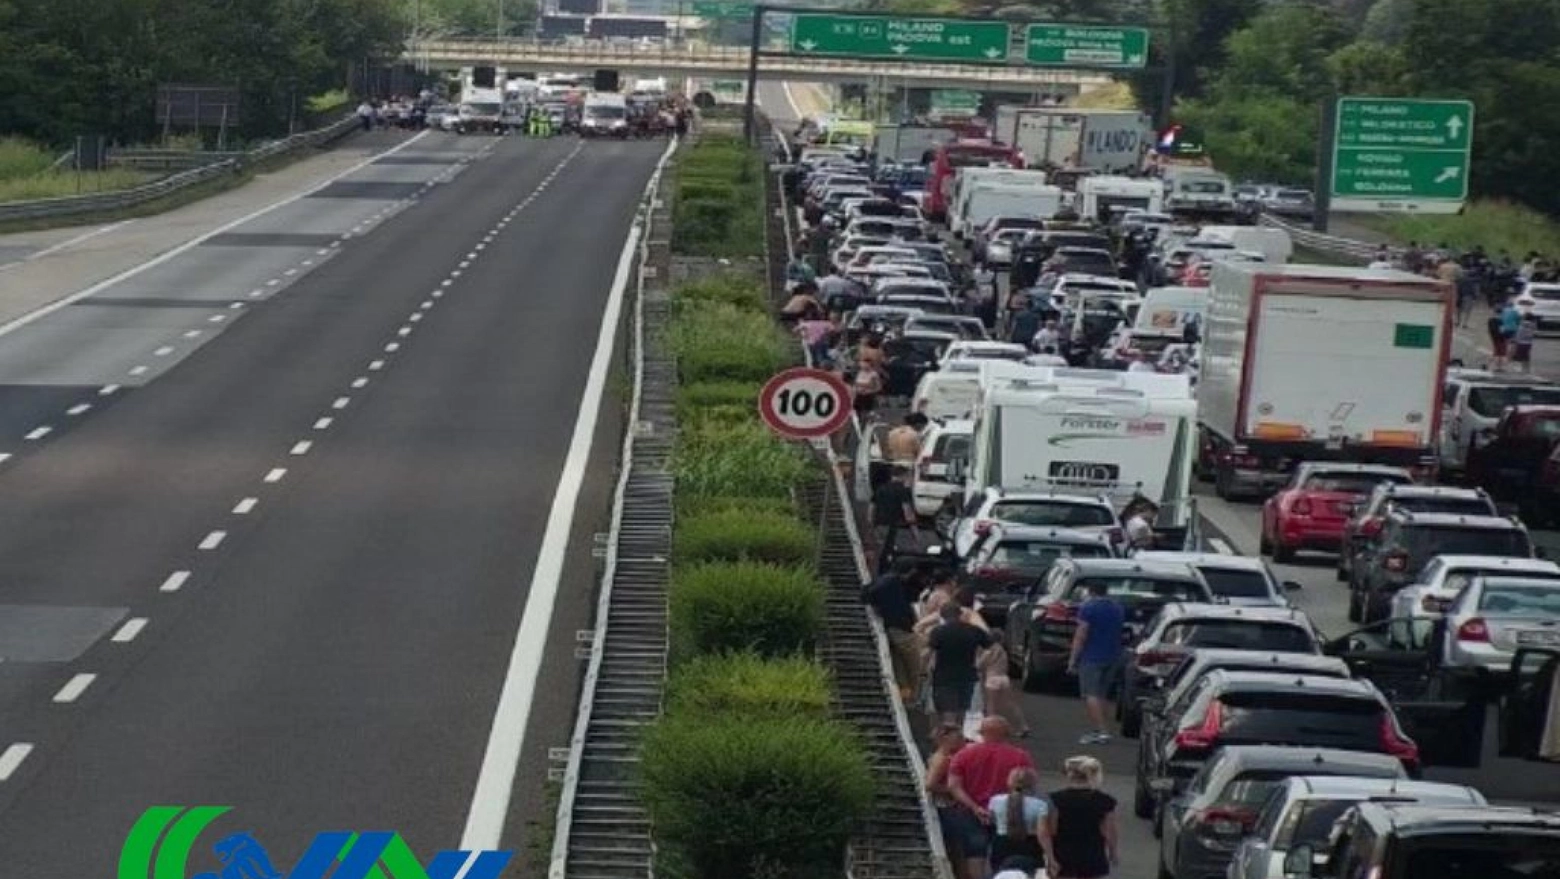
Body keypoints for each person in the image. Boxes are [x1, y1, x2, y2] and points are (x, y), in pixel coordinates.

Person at [948, 718, 1036, 879]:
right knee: (1003, 856)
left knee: (975, 853)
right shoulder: (1020, 756)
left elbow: (954, 786)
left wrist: (974, 807)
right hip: (1009, 812)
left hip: (971, 812)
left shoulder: (965, 754)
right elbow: (1030, 785)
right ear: (1006, 734)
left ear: (982, 733)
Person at [1068, 580, 1125, 744]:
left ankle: (1102, 731)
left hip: (1092, 656)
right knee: (1102, 694)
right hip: (1112, 655)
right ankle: (1101, 728)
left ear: (1090, 591)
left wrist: (1073, 659)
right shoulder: (1117, 608)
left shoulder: (1088, 608)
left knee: (1090, 694)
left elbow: (1081, 634)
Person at [1044, 756, 1118, 879]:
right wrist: (1113, 852)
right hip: (1092, 853)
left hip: (1063, 852)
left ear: (1069, 775)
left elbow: (1051, 830)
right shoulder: (1105, 801)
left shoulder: (1055, 799)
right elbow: (1108, 830)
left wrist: (1049, 855)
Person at [864, 557, 923, 703]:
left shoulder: (885, 579)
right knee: (915, 666)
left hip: (894, 627)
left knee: (899, 664)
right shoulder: (890, 583)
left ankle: (904, 694)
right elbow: (870, 594)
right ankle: (913, 698)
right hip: (900, 629)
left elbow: (867, 591)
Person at [926, 602, 992, 727]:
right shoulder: (974, 631)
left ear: (942, 616)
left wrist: (924, 671)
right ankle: (958, 741)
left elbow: (929, 653)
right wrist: (980, 663)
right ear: (960, 614)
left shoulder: (939, 632)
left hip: (944, 677)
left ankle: (948, 742)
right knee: (961, 714)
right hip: (967, 676)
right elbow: (991, 648)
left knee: (948, 714)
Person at [927, 723, 977, 879]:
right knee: (958, 848)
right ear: (945, 738)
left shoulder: (946, 756)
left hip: (949, 808)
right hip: (947, 808)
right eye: (959, 737)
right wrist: (955, 789)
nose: (963, 740)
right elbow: (930, 784)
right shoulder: (943, 759)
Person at [987, 768, 1053, 873]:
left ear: (1009, 782)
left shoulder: (995, 800)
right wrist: (1051, 858)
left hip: (1002, 843)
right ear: (1033, 783)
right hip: (1030, 845)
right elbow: (1043, 834)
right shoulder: (1039, 805)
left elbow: (991, 821)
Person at [979, 641, 1031, 738]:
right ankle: (1023, 726)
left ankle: (991, 729)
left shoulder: (989, 651)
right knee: (1011, 704)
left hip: (992, 678)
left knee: (991, 706)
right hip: (1004, 678)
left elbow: (980, 665)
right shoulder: (1004, 652)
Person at [871, 466, 918, 572]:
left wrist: (871, 524)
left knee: (879, 550)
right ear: (904, 476)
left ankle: (877, 572)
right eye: (909, 476)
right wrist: (914, 530)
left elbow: (871, 509)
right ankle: (885, 572)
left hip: (879, 524)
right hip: (892, 525)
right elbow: (907, 511)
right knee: (889, 551)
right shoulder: (903, 491)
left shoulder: (880, 489)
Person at [1498, 295, 1523, 371]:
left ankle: (1503, 355)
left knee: (1505, 343)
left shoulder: (1503, 311)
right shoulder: (1515, 312)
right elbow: (1519, 320)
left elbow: (1500, 320)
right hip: (1513, 329)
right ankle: (1509, 358)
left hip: (1504, 329)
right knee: (1512, 344)